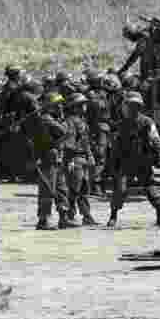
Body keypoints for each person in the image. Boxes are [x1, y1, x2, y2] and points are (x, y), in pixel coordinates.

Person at [107, 92, 160, 227]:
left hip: (143, 162)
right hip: (126, 162)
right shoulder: (121, 124)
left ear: (138, 107)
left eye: (134, 106)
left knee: (151, 190)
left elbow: (156, 140)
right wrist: (113, 162)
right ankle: (113, 216)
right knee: (120, 190)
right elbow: (116, 145)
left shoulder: (147, 122)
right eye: (129, 106)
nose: (131, 109)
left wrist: (158, 157)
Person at [26, 92, 69, 230]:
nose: (60, 107)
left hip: (57, 158)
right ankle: (44, 219)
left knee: (61, 189)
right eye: (58, 105)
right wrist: (62, 119)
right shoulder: (46, 119)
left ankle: (64, 217)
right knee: (47, 190)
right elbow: (63, 132)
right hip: (47, 158)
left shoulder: (52, 118)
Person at [62, 92, 96, 226]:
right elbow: (69, 143)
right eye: (82, 105)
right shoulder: (70, 121)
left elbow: (85, 141)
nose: (85, 107)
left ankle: (86, 216)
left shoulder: (81, 121)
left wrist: (90, 155)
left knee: (83, 188)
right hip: (75, 159)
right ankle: (69, 216)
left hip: (82, 158)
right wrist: (70, 160)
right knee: (74, 190)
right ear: (75, 107)